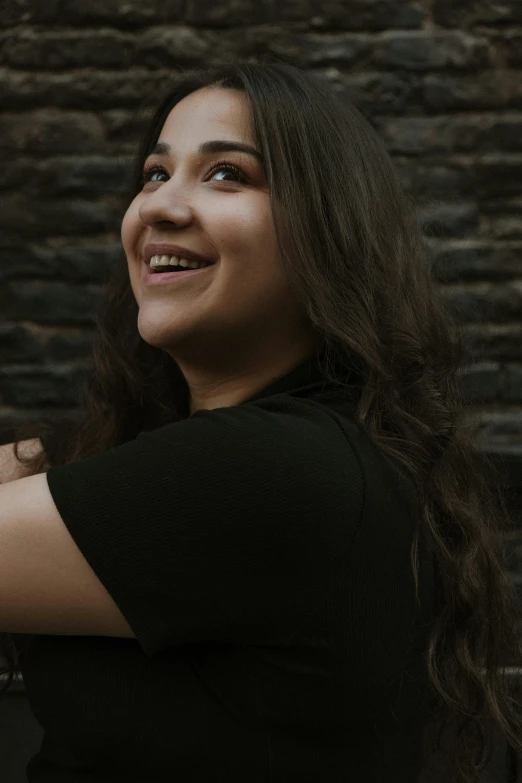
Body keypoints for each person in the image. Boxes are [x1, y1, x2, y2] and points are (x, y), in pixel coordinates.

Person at [0, 60, 520, 783]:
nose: (160, 205)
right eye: (154, 174)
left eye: (226, 176)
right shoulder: (295, 450)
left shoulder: (278, 468)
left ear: (327, 232)